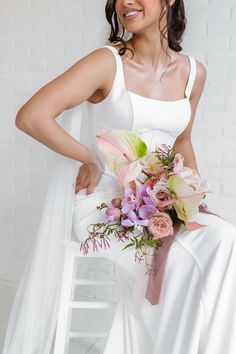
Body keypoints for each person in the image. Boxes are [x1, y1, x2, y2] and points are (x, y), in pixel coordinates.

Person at [3, 0, 236, 353]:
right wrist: (87, 158)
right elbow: (31, 116)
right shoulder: (106, 63)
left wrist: (191, 200)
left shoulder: (194, 73)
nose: (126, 1)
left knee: (224, 237)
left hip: (161, 202)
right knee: (180, 264)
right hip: (106, 206)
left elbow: (183, 141)